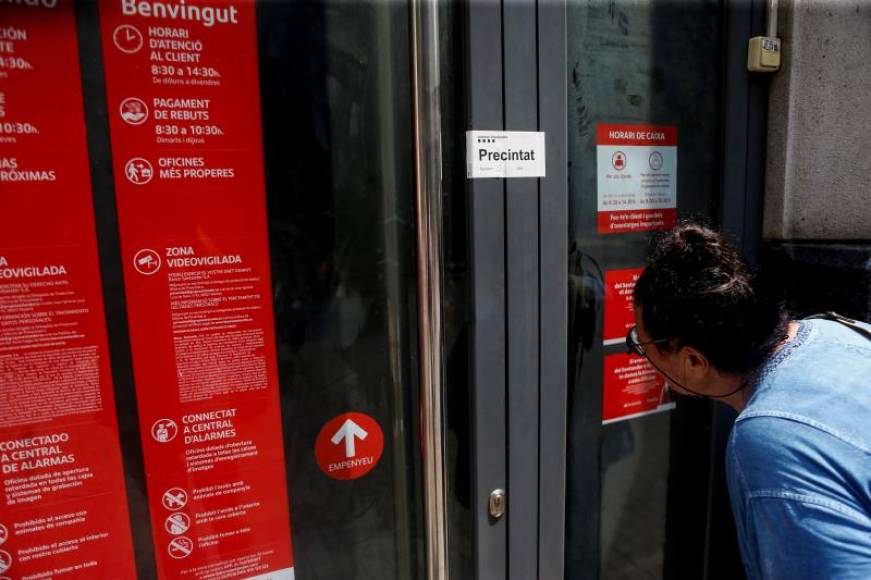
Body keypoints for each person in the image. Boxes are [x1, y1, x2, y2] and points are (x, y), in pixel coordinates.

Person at [627, 223, 871, 579]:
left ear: (694, 361)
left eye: (642, 345)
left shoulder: (770, 439)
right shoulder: (832, 331)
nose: (641, 357)